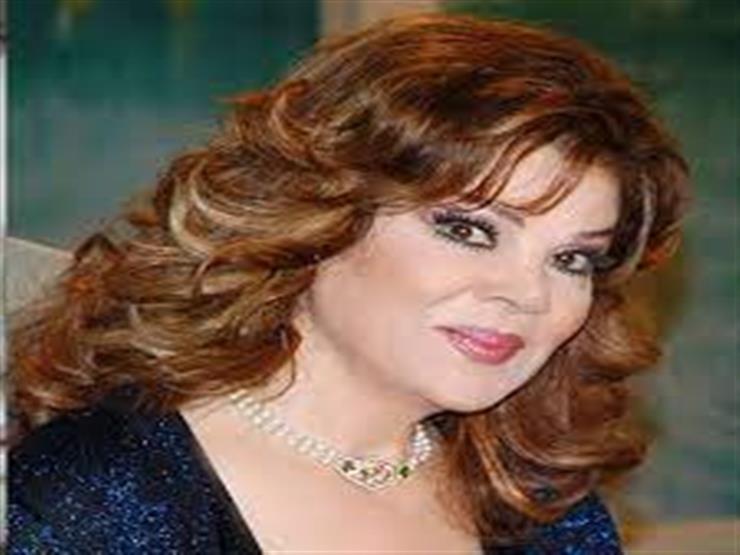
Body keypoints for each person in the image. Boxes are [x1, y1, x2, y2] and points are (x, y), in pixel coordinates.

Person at [7, 13, 689, 554]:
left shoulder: (544, 509)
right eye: (469, 229)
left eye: (572, 259)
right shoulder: (92, 493)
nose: (529, 294)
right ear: (317, 212)